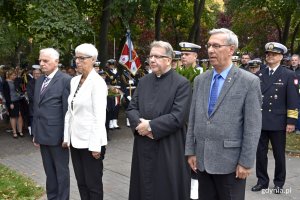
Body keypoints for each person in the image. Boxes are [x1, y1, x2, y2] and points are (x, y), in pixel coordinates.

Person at [185, 28, 262, 200]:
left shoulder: (249, 81)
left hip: (231, 164)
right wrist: (191, 150)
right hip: (202, 162)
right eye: (209, 45)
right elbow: (193, 118)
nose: (211, 50)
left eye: (216, 46)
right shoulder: (200, 80)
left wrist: (246, 162)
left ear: (231, 49)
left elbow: (253, 126)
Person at [126, 40, 191, 200]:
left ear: (168, 60)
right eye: (150, 56)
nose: (152, 60)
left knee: (165, 188)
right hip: (144, 145)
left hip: (168, 146)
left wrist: (150, 126)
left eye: (157, 56)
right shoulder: (143, 82)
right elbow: (131, 108)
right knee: (143, 186)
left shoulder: (181, 84)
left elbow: (178, 116)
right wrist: (140, 126)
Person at [252, 42, 299, 194]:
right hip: (260, 120)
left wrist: (291, 121)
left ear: (280, 57)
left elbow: (293, 100)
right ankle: (262, 181)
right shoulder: (259, 74)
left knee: (279, 154)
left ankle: (279, 182)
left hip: (278, 121)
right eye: (268, 54)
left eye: (273, 54)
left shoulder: (289, 75)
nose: (270, 57)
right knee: (260, 154)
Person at [63, 43, 107, 199]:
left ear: (93, 60)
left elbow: (99, 116)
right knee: (81, 183)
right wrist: (66, 138)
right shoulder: (74, 81)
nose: (77, 61)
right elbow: (70, 111)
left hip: (91, 143)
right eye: (76, 57)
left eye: (82, 58)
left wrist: (96, 146)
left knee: (93, 185)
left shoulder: (98, 83)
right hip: (75, 141)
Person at [32, 48, 71, 200]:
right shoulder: (40, 80)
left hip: (58, 137)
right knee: (49, 172)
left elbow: (67, 110)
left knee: (61, 173)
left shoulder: (66, 80)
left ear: (56, 61)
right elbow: (37, 107)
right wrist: (35, 132)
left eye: (45, 61)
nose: (41, 64)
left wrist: (65, 136)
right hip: (42, 134)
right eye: (40, 60)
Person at [3, 69, 24, 138]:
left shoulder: (15, 81)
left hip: (18, 100)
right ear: (9, 75)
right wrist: (10, 103)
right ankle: (14, 132)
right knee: (13, 116)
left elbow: (21, 82)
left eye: (15, 75)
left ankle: (20, 131)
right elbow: (6, 94)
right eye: (13, 75)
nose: (15, 76)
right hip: (11, 101)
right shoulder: (6, 83)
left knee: (19, 115)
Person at [26, 66, 42, 136]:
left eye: (38, 73)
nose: (37, 75)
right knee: (33, 120)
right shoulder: (30, 83)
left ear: (41, 74)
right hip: (33, 106)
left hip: (43, 106)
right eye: (35, 73)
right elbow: (30, 96)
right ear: (33, 74)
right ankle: (34, 135)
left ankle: (41, 135)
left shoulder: (44, 82)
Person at [288, 54, 300, 134]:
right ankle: (290, 126)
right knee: (291, 108)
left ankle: (298, 128)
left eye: (295, 60)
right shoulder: (287, 70)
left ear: (299, 61)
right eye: (292, 60)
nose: (294, 62)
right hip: (289, 93)